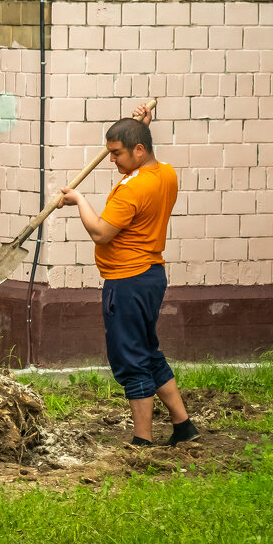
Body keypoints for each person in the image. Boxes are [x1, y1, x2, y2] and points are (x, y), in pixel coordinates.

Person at [59, 103, 199, 447]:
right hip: (151, 276)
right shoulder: (165, 172)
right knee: (148, 352)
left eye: (117, 152)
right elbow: (146, 162)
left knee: (130, 359)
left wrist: (78, 200)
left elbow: (101, 233)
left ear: (138, 150)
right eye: (109, 153)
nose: (112, 160)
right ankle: (183, 427)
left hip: (127, 282)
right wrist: (143, 130)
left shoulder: (131, 189)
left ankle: (142, 441)